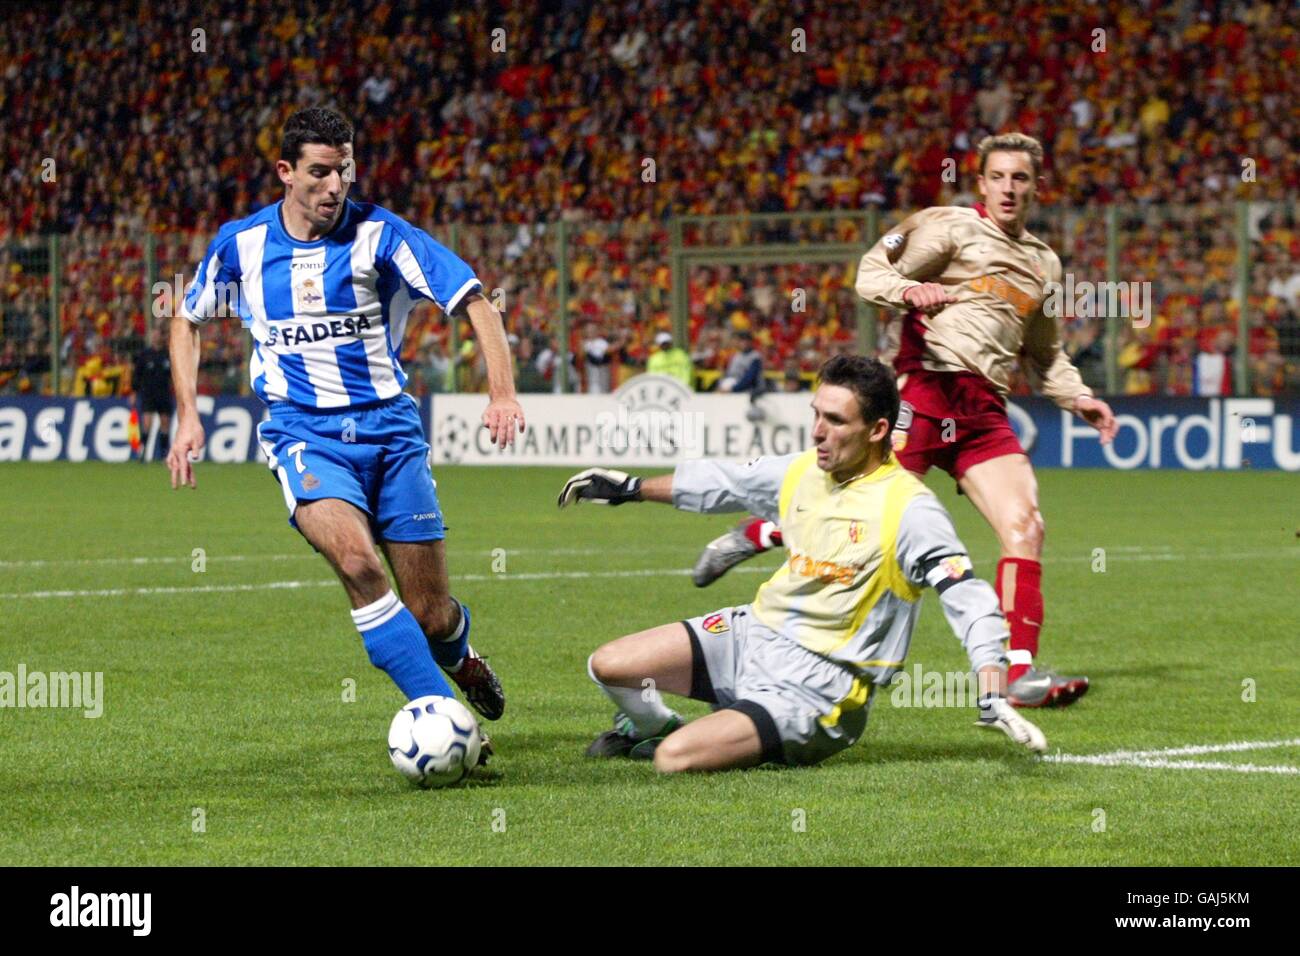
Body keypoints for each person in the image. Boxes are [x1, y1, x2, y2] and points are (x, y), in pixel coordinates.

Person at [692, 133, 1119, 709]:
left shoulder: (1043, 262)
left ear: (1037, 187)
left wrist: (1079, 397)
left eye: (1020, 178)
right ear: (983, 182)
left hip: (984, 411)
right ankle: (761, 531)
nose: (1009, 188)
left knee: (1027, 526)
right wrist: (909, 290)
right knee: (858, 523)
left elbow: (1043, 352)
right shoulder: (949, 227)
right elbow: (871, 274)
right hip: (923, 392)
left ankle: (1016, 672)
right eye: (998, 177)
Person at [167, 108, 523, 748]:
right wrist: (188, 411)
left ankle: (460, 658)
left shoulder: (384, 237)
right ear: (286, 172)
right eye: (321, 172)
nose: (336, 186)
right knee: (358, 564)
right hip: (305, 435)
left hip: (391, 435)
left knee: (429, 615)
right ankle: (446, 716)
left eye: (345, 171)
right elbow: (187, 318)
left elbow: (474, 300)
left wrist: (501, 393)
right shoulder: (241, 245)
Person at [557, 355, 1048, 772]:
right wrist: (631, 489)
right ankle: (654, 724)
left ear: (879, 430)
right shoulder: (802, 469)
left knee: (676, 758)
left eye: (835, 421)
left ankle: (709, 731)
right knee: (609, 665)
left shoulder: (910, 509)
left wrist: (991, 686)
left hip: (820, 688)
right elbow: (720, 482)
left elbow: (968, 598)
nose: (818, 432)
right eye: (816, 414)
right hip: (752, 636)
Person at [132, 325, 173, 462]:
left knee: (165, 424)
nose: (155, 337)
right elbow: (137, 375)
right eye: (153, 334)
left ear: (161, 336)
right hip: (148, 394)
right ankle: (143, 451)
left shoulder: (168, 354)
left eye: (157, 334)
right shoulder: (144, 355)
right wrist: (134, 392)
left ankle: (164, 453)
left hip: (164, 394)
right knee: (147, 424)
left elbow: (174, 376)